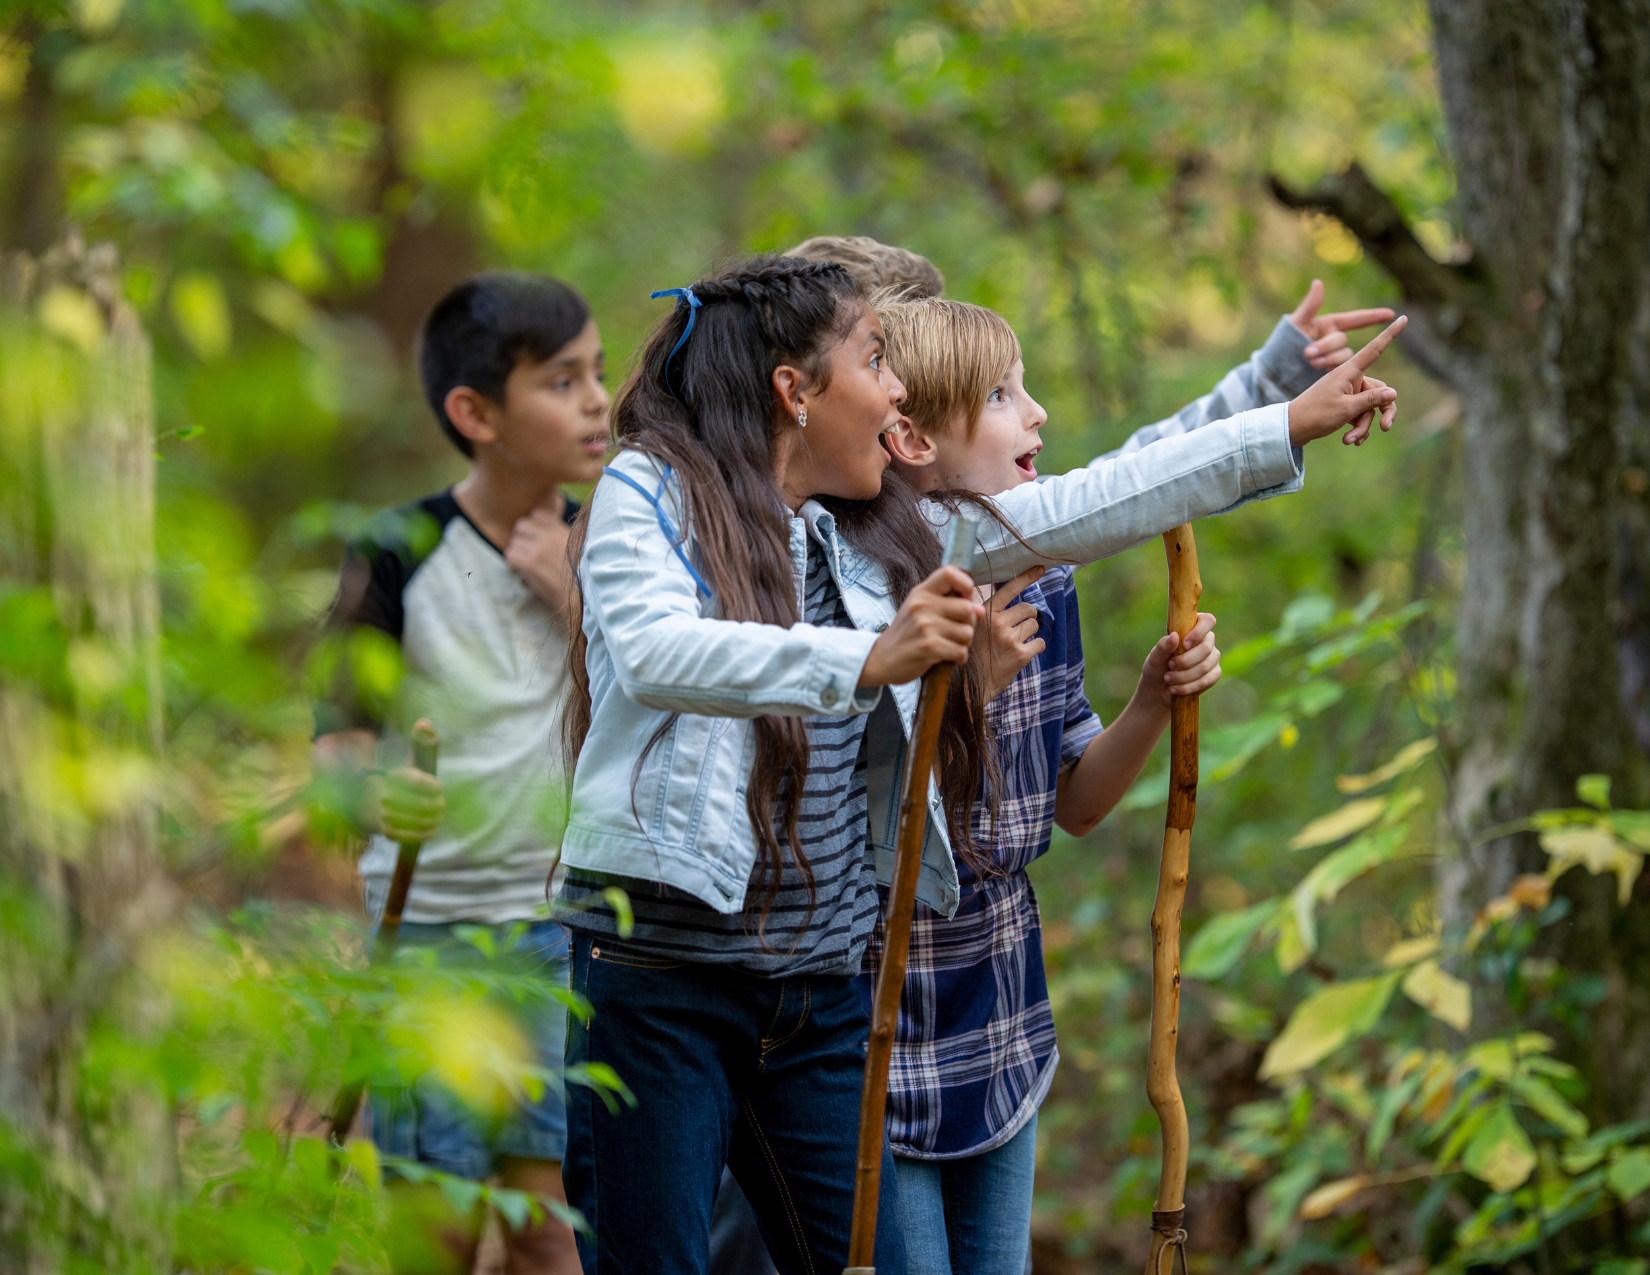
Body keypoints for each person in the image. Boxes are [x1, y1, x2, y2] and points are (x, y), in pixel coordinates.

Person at [553, 253, 1402, 1275]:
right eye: (875, 359)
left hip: (819, 995)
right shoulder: (648, 490)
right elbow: (654, 651)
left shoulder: (881, 535)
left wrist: (1279, 417)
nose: (897, 385)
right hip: (663, 975)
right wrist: (871, 657)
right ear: (796, 388)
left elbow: (1109, 493)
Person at [313, 271, 608, 1275]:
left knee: (546, 1233)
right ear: (475, 413)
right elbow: (339, 741)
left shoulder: (612, 544)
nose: (598, 401)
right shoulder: (398, 551)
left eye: (597, 375)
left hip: (557, 932)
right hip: (427, 936)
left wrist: (571, 595)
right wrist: (368, 795)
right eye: (563, 382)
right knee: (434, 1232)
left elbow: (648, 713)